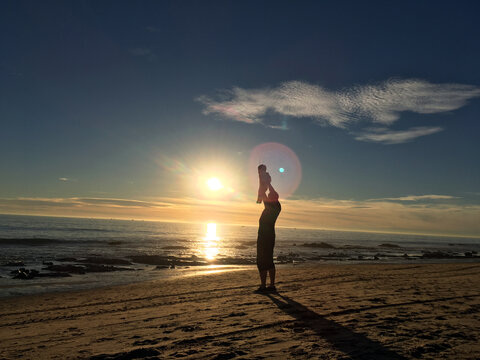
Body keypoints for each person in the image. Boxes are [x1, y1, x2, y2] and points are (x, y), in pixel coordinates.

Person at [255, 176, 281, 293]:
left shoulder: (271, 206)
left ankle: (264, 286)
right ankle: (271, 286)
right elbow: (270, 194)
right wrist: (268, 183)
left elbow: (264, 196)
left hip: (265, 237)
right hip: (269, 235)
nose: (269, 196)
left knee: (262, 261)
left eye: (270, 196)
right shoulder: (277, 206)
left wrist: (264, 182)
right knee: (268, 260)